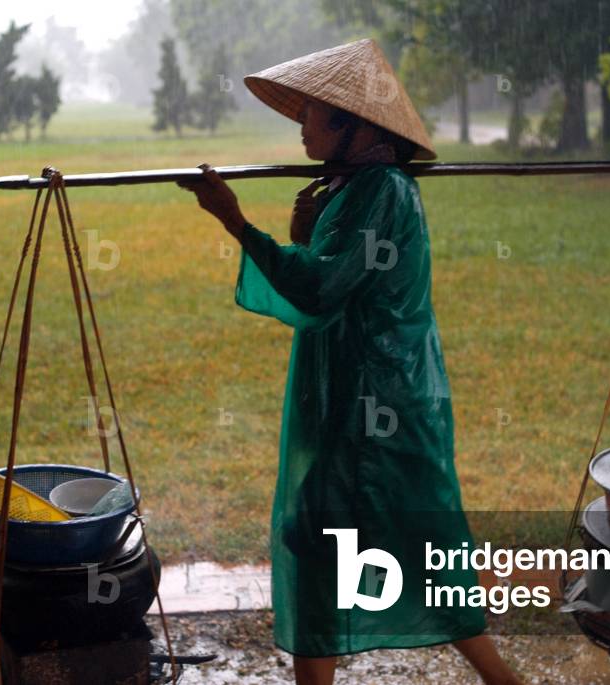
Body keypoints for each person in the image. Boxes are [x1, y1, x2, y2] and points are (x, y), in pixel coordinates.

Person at [178, 39, 524, 685]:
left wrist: (233, 219)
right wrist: (307, 236)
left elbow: (317, 289)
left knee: (364, 540)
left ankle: (501, 680)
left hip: (375, 404)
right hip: (357, 391)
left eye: (312, 112)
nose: (300, 124)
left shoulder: (379, 190)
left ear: (353, 124)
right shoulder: (356, 187)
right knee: (349, 537)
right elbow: (334, 274)